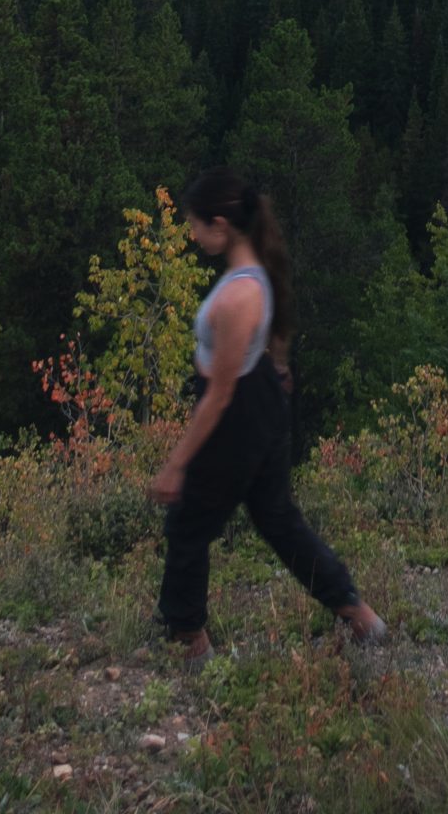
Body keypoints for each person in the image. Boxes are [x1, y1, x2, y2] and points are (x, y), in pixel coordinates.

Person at [149, 166, 385, 660]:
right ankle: (358, 615)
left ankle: (188, 641)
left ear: (221, 225)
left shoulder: (239, 294)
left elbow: (218, 395)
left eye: (195, 224)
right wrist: (278, 366)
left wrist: (176, 462)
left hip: (238, 411)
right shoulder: (257, 271)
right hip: (263, 401)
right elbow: (272, 334)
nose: (191, 234)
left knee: (189, 522)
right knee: (277, 519)